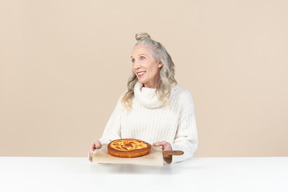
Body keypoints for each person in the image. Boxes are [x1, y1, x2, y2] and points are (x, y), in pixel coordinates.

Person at [89, 33, 198, 164]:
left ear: (160, 62)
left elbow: (188, 143)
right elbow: (110, 138)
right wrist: (100, 145)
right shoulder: (127, 98)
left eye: (142, 58)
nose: (136, 66)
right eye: (133, 60)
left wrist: (170, 150)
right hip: (128, 174)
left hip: (165, 176)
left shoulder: (181, 97)